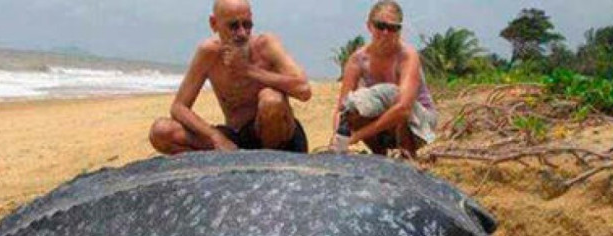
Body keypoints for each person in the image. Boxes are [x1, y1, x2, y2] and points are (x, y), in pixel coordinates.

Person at [150, 0, 312, 154]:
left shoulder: (266, 45)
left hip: (280, 139)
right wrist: (214, 136)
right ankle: (227, 163)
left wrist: (248, 70)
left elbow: (304, 90)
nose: (242, 33)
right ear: (214, 24)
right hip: (237, 138)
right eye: (233, 26)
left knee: (270, 100)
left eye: (247, 25)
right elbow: (179, 107)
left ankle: (269, 160)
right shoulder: (209, 53)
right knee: (161, 131)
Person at [331, 0, 437, 158]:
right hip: (385, 122)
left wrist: (357, 136)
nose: (386, 32)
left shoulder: (407, 56)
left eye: (393, 28)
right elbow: (342, 108)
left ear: (400, 30)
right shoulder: (358, 60)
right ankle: (379, 154)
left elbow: (404, 108)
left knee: (392, 93)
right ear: (369, 26)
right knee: (353, 105)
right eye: (381, 26)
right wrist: (337, 137)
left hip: (419, 123)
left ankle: (407, 154)